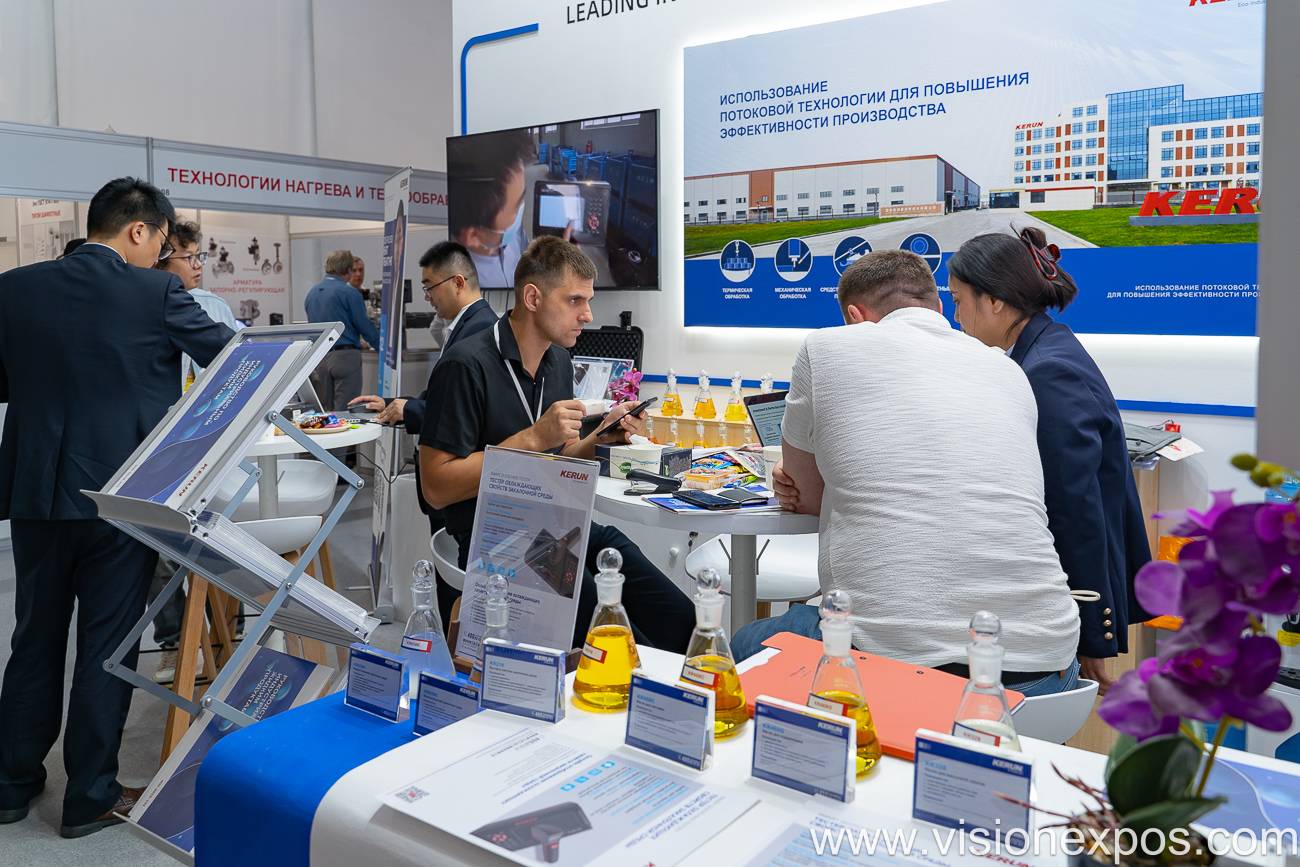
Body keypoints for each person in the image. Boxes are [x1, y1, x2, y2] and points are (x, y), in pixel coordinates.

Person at [733, 249, 1081, 697]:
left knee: (744, 643)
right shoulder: (1007, 368)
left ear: (855, 317)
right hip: (1048, 671)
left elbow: (808, 499)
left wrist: (794, 472)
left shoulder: (825, 348)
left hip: (900, 670)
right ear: (938, 307)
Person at [0, 177, 234, 837]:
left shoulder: (13, 288)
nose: (162, 254)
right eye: (161, 241)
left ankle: (11, 782)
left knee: (34, 636)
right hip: (119, 495)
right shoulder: (156, 293)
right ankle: (88, 796)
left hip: (36, 493)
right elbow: (231, 359)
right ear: (139, 229)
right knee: (108, 645)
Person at [418, 236, 694, 648]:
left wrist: (604, 437)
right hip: (496, 538)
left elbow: (560, 456)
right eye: (574, 300)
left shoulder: (558, 360)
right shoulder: (465, 365)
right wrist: (531, 438)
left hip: (559, 524)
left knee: (679, 618)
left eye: (588, 301)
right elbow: (436, 487)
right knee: (620, 640)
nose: (587, 315)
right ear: (533, 297)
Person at [947, 228, 1151, 694]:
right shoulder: (1044, 350)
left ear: (994, 301)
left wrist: (1090, 631)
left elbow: (1074, 506)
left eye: (958, 301)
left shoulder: (1046, 372)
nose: (956, 317)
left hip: (1069, 600)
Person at [147, 220, 242, 682]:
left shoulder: (214, 307)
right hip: (158, 445)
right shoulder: (142, 306)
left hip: (209, 442)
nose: (198, 266)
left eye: (200, 256)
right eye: (189, 258)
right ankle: (175, 642)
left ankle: (227, 632)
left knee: (223, 533)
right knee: (157, 548)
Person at [447, 129, 535, 289]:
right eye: (517, 206)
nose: (523, 206)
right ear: (472, 236)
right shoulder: (465, 286)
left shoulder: (510, 233)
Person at [305, 249, 381, 409]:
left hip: (320, 358)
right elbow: (363, 325)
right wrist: (383, 349)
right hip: (345, 357)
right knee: (346, 411)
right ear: (347, 270)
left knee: (323, 411)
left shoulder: (311, 294)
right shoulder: (349, 293)